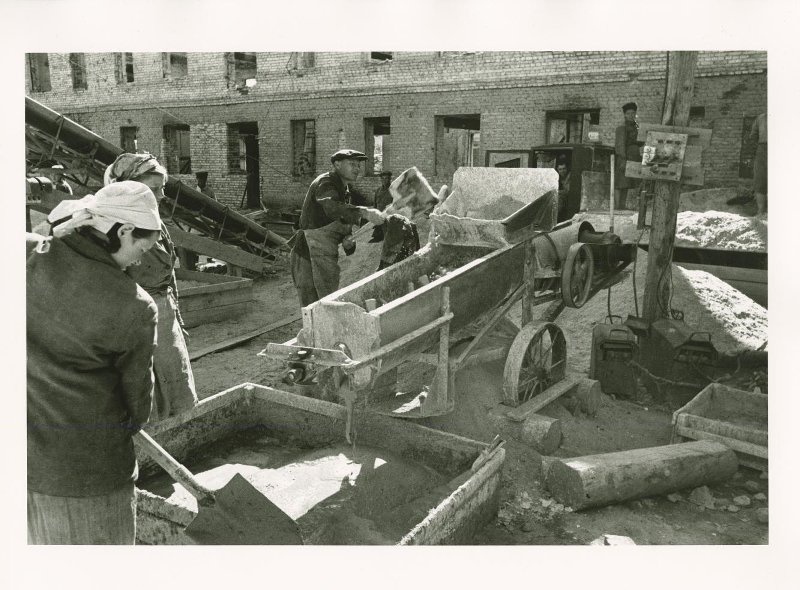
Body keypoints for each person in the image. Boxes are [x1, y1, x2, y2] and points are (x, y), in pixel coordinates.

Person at [27, 181, 162, 544]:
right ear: (124, 230)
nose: (141, 258)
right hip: (89, 478)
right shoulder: (133, 306)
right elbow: (137, 410)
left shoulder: (29, 257)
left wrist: (51, 233)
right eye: (142, 246)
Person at [104, 153, 198, 420]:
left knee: (178, 390)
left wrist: (177, 318)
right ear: (131, 188)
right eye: (154, 189)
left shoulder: (155, 222)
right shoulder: (113, 231)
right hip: (135, 325)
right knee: (147, 398)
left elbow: (169, 276)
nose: (162, 195)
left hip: (165, 318)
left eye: (162, 188)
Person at [290, 149, 388, 306]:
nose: (357, 168)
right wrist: (365, 212)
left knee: (328, 301)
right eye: (352, 164)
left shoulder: (345, 191)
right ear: (337, 164)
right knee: (311, 303)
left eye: (358, 165)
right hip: (305, 254)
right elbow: (332, 207)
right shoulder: (326, 183)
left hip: (324, 253)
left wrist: (348, 243)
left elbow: (342, 224)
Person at [614, 102, 643, 210]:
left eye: (633, 113)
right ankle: (617, 207)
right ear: (625, 115)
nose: (631, 115)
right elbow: (620, 145)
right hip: (624, 159)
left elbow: (640, 142)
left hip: (634, 159)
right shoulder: (622, 128)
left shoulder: (637, 128)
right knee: (620, 183)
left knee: (627, 184)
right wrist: (623, 160)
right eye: (629, 113)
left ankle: (622, 206)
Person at [750, 112, 767, 216]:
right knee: (760, 179)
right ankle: (761, 211)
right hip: (762, 148)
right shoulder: (760, 118)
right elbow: (753, 135)